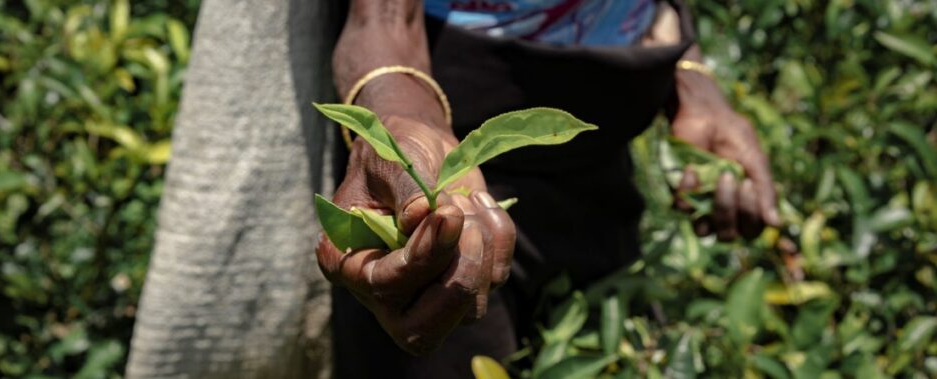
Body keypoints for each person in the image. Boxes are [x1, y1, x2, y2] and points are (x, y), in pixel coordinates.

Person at [317, 0, 780, 378]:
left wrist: (688, 69)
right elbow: (383, 15)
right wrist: (400, 110)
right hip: (454, 113)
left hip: (610, 131)